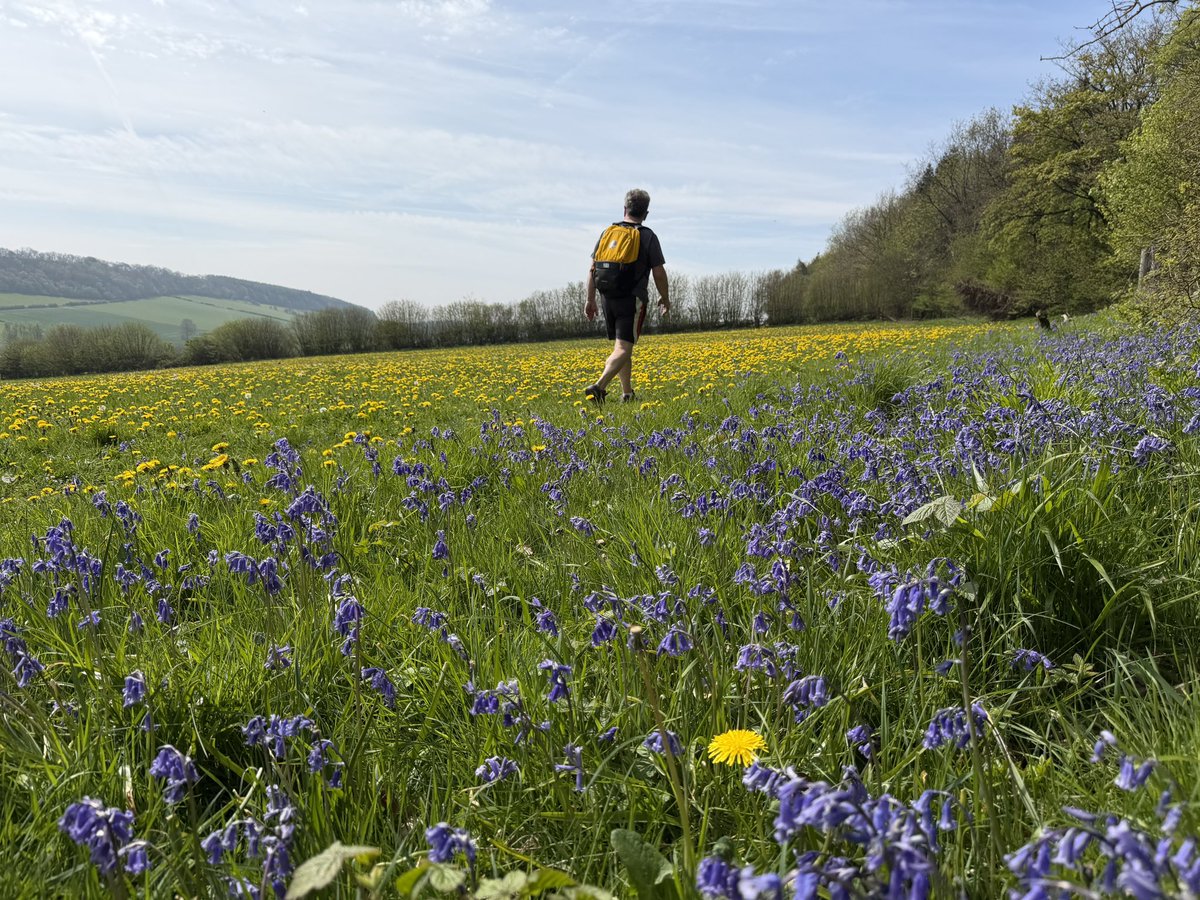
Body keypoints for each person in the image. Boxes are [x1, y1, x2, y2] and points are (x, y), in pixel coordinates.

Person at [584, 188, 669, 404]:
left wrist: (590, 299)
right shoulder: (647, 235)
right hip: (631, 298)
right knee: (623, 347)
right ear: (646, 213)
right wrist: (665, 298)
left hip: (607, 297)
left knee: (622, 347)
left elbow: (592, 269)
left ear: (625, 209)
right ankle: (599, 386)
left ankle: (627, 393)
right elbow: (658, 272)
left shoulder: (607, 232)